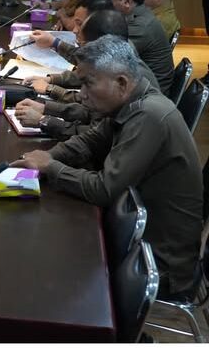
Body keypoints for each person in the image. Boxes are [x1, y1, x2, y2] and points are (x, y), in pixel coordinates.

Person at [13, 35, 203, 299]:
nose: (81, 94)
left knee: (45, 260)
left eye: (88, 84)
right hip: (135, 238)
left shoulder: (149, 115)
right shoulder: (130, 102)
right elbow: (88, 142)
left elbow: (104, 189)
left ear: (121, 83)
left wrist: (51, 167)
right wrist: (41, 160)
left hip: (157, 263)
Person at [15, 10, 160, 140]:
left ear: (100, 44)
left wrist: (44, 119)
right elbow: (90, 113)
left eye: (83, 43)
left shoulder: (127, 78)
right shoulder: (118, 59)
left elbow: (94, 135)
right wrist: (46, 107)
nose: (74, 32)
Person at [99, 0, 174, 94]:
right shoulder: (134, 17)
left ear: (127, 1)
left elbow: (101, 59)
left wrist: (57, 43)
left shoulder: (141, 27)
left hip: (147, 99)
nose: (102, 4)